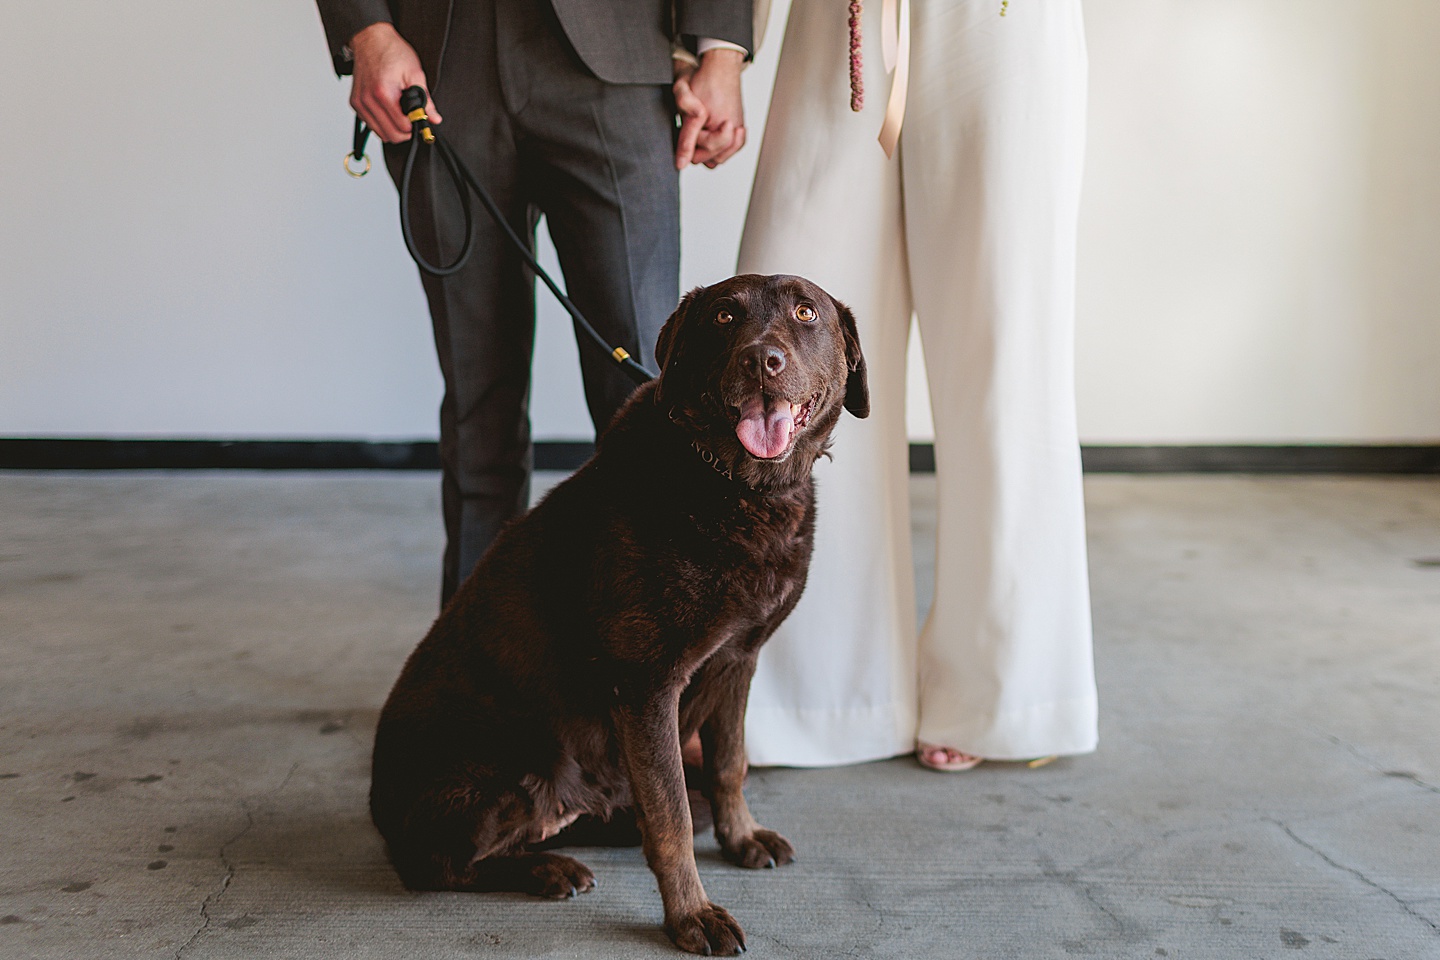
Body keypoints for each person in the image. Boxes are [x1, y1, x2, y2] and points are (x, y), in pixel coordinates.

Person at [737, 0, 1098, 770]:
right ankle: (815, 693)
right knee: (798, 324)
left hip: (1001, 19)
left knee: (1003, 346)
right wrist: (721, 48)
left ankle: (1003, 693)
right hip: (842, 19)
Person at [314, 0, 754, 604]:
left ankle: (649, 659)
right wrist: (367, 29)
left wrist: (722, 50)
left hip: (617, 63)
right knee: (478, 402)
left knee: (648, 396)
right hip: (438, 61)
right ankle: (474, 675)